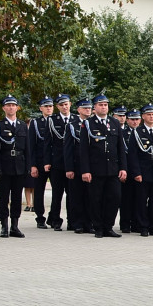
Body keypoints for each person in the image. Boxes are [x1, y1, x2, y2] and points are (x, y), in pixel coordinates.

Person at [80, 94, 126, 237]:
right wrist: (85, 170)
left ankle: (109, 226)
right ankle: (98, 227)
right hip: (96, 169)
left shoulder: (114, 122)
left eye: (105, 105)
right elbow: (84, 150)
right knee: (96, 199)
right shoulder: (88, 124)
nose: (104, 107)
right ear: (94, 107)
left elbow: (120, 148)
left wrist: (123, 168)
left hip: (113, 169)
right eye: (100, 105)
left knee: (114, 198)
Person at [0, 95, 30, 237]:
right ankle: (4, 226)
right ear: (4, 108)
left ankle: (15, 226)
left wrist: (28, 167)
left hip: (19, 165)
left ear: (17, 108)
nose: (11, 107)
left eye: (14, 105)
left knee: (17, 198)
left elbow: (27, 149)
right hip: (5, 165)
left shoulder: (22, 126)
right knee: (4, 197)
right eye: (8, 105)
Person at [127, 104, 153, 237]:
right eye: (149, 114)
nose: (152, 117)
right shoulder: (137, 132)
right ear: (143, 117)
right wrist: (136, 173)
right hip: (143, 172)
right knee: (141, 201)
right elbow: (133, 155)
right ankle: (143, 226)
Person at [63, 99, 93, 234]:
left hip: (92, 166)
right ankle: (77, 223)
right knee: (76, 195)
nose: (88, 110)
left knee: (91, 196)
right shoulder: (72, 125)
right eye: (84, 108)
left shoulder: (94, 124)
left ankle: (89, 222)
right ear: (78, 110)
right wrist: (69, 168)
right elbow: (68, 148)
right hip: (76, 166)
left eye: (89, 108)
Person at [45, 94, 73, 231]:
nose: (64, 107)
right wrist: (47, 161)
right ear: (57, 107)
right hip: (57, 162)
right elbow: (47, 143)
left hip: (72, 163)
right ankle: (55, 219)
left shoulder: (75, 119)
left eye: (66, 104)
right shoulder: (52, 120)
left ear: (70, 104)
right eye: (61, 105)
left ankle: (72, 220)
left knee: (72, 193)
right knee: (57, 193)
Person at [28, 96, 54, 228]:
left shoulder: (56, 121)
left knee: (57, 192)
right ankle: (40, 217)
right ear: (41, 108)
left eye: (50, 106)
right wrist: (32, 165)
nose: (48, 108)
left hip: (54, 162)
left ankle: (53, 217)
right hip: (39, 162)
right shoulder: (36, 123)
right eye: (46, 106)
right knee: (39, 191)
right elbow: (31, 145)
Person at [119, 110, 142, 234]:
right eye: (132, 119)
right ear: (127, 120)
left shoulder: (142, 132)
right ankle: (125, 224)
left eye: (137, 119)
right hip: (127, 170)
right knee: (126, 199)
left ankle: (136, 223)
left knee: (139, 199)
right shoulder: (122, 133)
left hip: (140, 171)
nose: (135, 121)